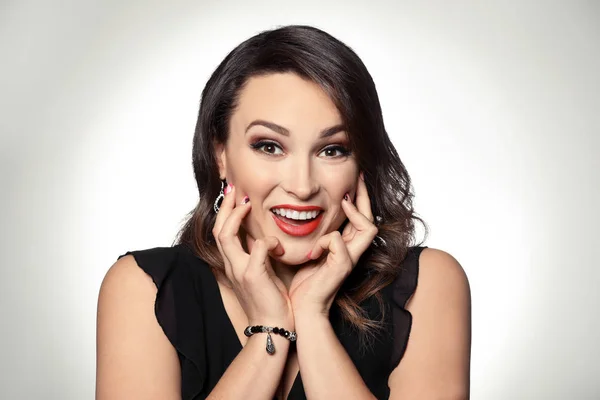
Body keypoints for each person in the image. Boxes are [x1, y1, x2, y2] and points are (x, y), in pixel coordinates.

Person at [96, 25, 471, 400]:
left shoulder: (426, 286)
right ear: (220, 155)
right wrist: (270, 329)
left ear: (361, 165)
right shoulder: (144, 289)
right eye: (269, 146)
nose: (302, 185)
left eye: (332, 150)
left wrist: (312, 317)